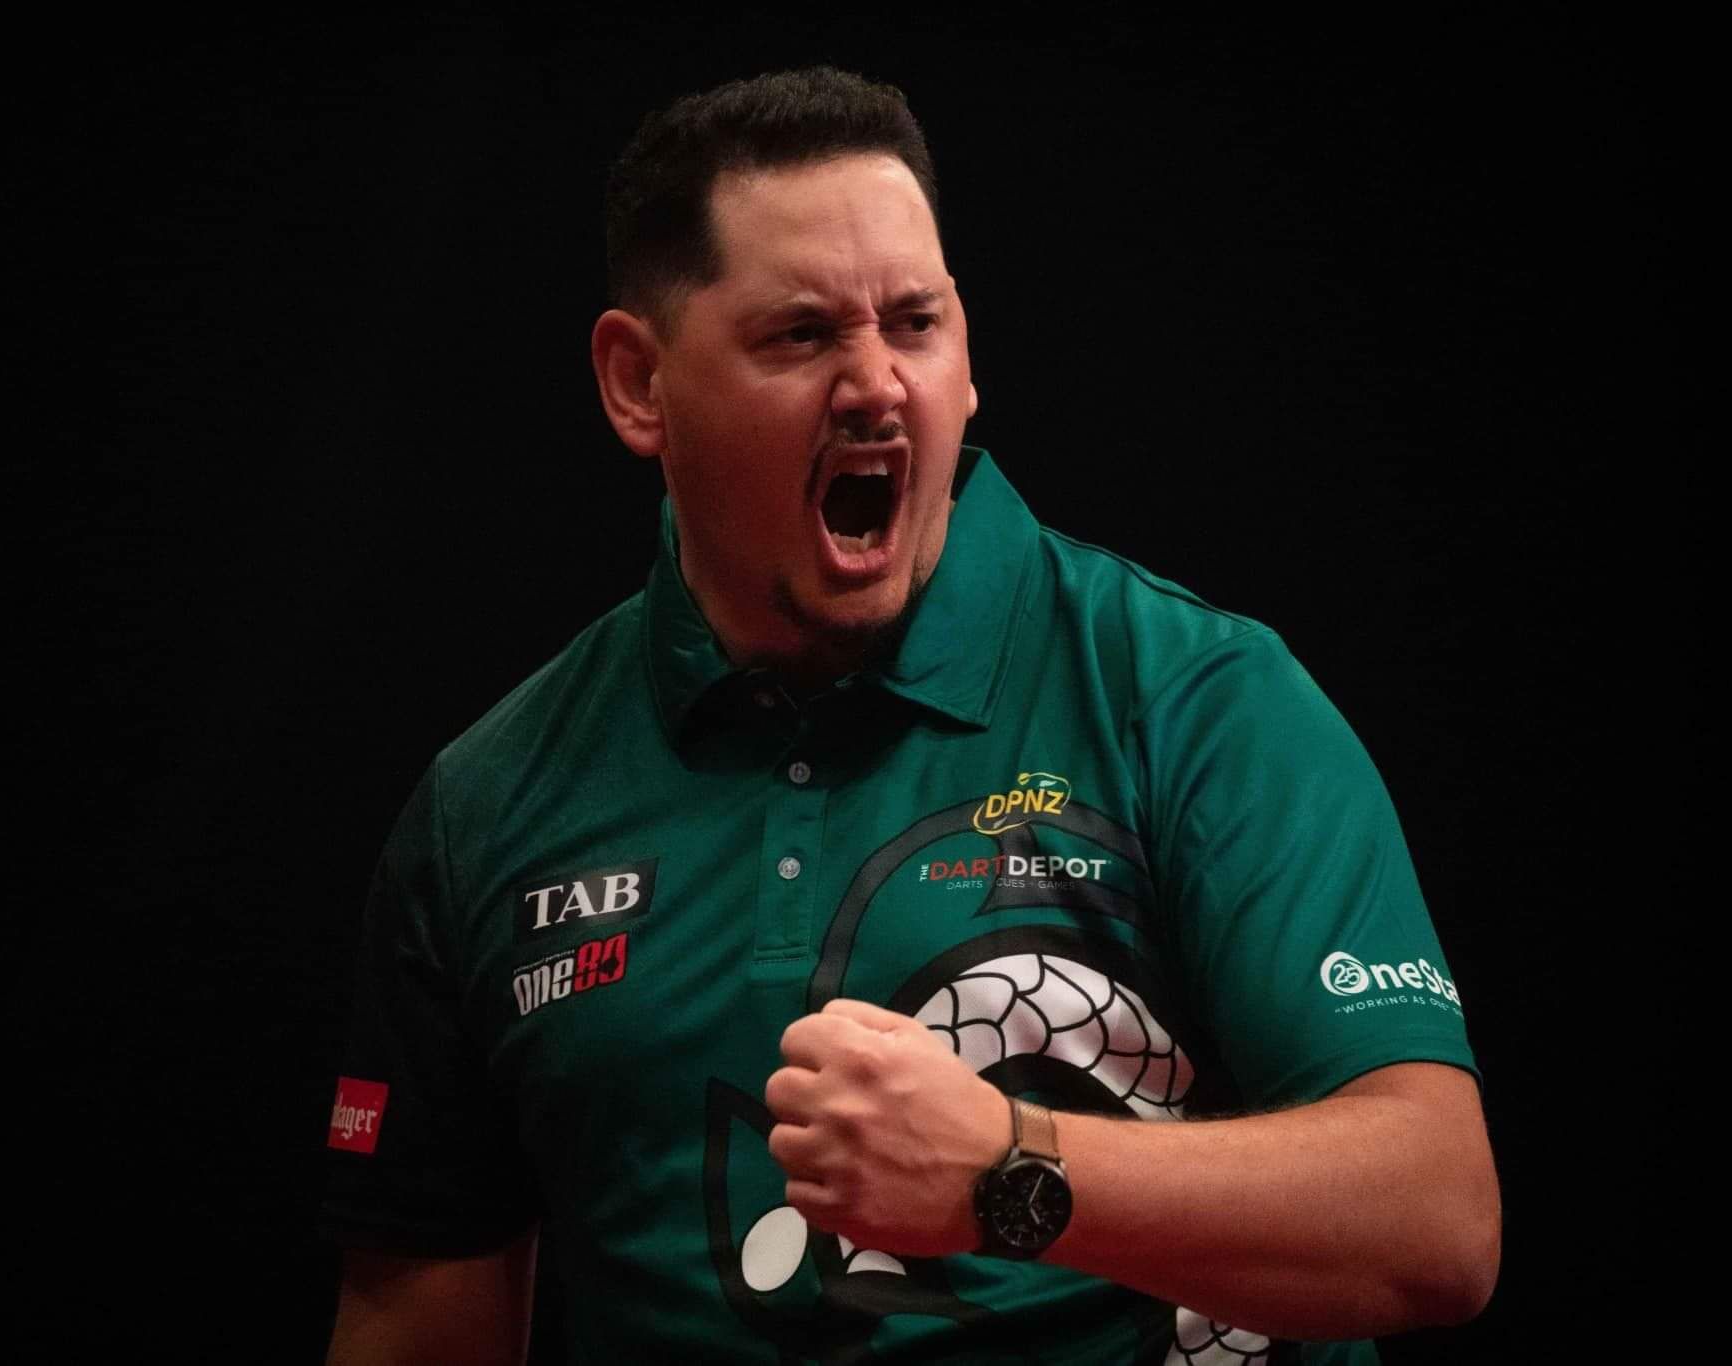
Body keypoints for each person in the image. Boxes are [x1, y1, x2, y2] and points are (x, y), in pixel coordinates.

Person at [322, 67, 1499, 1365]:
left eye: (915, 322)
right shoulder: (488, 804)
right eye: (802, 334)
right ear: (639, 384)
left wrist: (1006, 1170)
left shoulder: (1194, 697)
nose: (878, 384)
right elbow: (415, 1316)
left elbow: (1434, 1219)